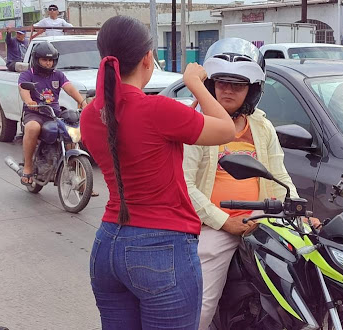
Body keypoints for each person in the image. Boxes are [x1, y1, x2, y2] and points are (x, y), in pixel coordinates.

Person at [80, 16, 234, 330]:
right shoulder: (157, 110)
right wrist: (196, 85)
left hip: (108, 244)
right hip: (161, 249)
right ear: (148, 59)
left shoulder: (90, 114)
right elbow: (227, 128)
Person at [182, 38, 301, 330]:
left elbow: (278, 174)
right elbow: (184, 185)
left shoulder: (261, 126)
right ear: (210, 85)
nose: (228, 90)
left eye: (238, 84)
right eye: (221, 82)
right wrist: (225, 222)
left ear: (252, 90)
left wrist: (297, 210)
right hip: (214, 227)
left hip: (263, 221)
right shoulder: (197, 124)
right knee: (201, 305)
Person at [18, 41, 87, 185]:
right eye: (44, 60)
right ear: (36, 59)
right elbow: (23, 90)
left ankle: (80, 180)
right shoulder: (27, 75)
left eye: (50, 60)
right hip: (35, 113)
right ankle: (28, 167)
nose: (48, 63)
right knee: (32, 128)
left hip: (53, 113)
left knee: (71, 132)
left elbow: (69, 88)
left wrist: (82, 102)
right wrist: (30, 102)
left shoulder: (58, 75)